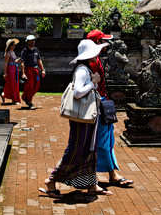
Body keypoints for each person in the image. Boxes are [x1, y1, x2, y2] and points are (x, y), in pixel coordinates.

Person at [39, 39, 113, 197]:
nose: (98, 54)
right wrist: (93, 83)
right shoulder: (82, 70)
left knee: (89, 148)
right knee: (76, 148)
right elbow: (78, 92)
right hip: (82, 117)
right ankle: (52, 180)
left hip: (87, 116)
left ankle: (92, 184)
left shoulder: (85, 69)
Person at [86, 29, 133, 189]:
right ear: (97, 43)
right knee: (102, 141)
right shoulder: (91, 62)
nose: (106, 44)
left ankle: (111, 174)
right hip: (97, 105)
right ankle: (110, 175)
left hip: (103, 103)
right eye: (103, 41)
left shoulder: (96, 59)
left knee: (108, 140)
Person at [20, 34, 45, 108]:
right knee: (30, 86)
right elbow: (22, 63)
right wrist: (23, 73)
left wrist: (43, 70)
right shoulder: (25, 51)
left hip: (35, 70)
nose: (33, 42)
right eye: (31, 40)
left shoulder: (36, 50)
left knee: (36, 86)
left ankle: (25, 97)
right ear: (27, 42)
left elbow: (39, 60)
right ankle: (30, 102)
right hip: (28, 69)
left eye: (34, 40)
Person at [1, 38, 21, 105]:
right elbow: (5, 63)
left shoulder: (13, 52)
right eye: (12, 45)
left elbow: (14, 61)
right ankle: (13, 99)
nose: (14, 46)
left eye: (14, 45)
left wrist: (19, 59)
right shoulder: (8, 53)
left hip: (14, 68)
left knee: (15, 84)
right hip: (10, 69)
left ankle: (5, 95)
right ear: (9, 45)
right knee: (12, 84)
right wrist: (5, 73)